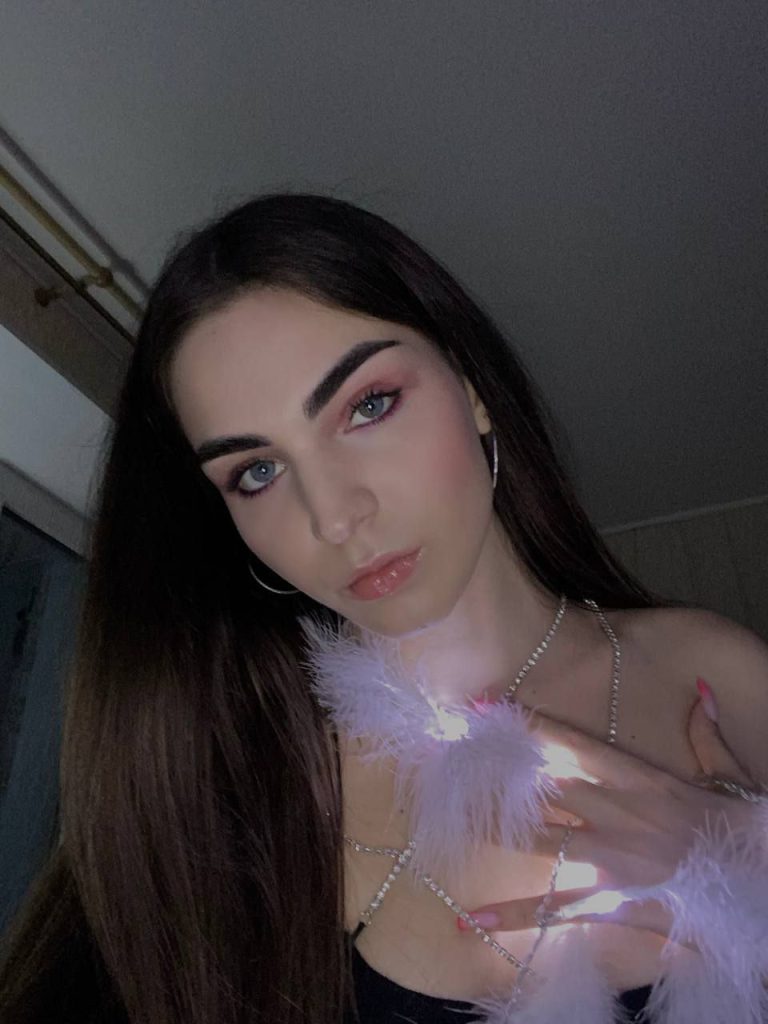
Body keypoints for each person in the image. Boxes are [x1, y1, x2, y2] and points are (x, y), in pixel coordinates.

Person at [0, 192, 766, 1024]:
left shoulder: (709, 673)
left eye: (367, 405)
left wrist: (746, 853)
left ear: (472, 388)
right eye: (257, 472)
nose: (334, 517)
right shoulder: (227, 786)